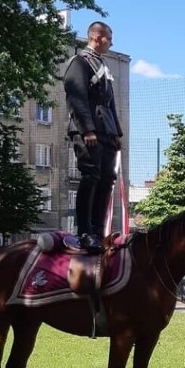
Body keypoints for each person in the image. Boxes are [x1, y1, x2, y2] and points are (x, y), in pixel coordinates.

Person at [63, 21, 122, 253]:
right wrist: (87, 129)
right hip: (88, 130)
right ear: (96, 37)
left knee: (107, 178)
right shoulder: (79, 62)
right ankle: (85, 232)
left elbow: (110, 103)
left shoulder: (102, 65)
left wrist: (117, 133)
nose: (111, 43)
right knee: (91, 176)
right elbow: (77, 97)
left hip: (106, 131)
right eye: (109, 38)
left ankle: (99, 232)